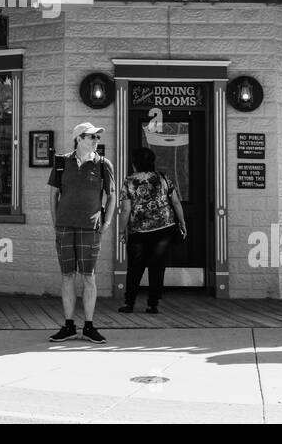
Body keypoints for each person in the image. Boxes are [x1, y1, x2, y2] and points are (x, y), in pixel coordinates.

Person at [46, 122, 115, 343]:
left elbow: (112, 196)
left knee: (88, 276)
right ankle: (68, 326)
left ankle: (88, 326)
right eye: (91, 137)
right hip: (65, 226)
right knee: (67, 275)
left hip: (90, 228)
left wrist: (107, 222)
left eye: (97, 137)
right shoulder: (61, 163)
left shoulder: (103, 164)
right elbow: (53, 195)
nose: (96, 141)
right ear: (78, 138)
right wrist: (56, 221)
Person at [118, 147, 185, 314]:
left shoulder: (129, 182)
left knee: (134, 268)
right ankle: (152, 304)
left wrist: (121, 230)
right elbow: (176, 202)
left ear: (135, 164)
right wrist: (182, 222)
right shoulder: (163, 178)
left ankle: (129, 303)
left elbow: (126, 210)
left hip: (138, 232)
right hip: (164, 228)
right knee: (157, 267)